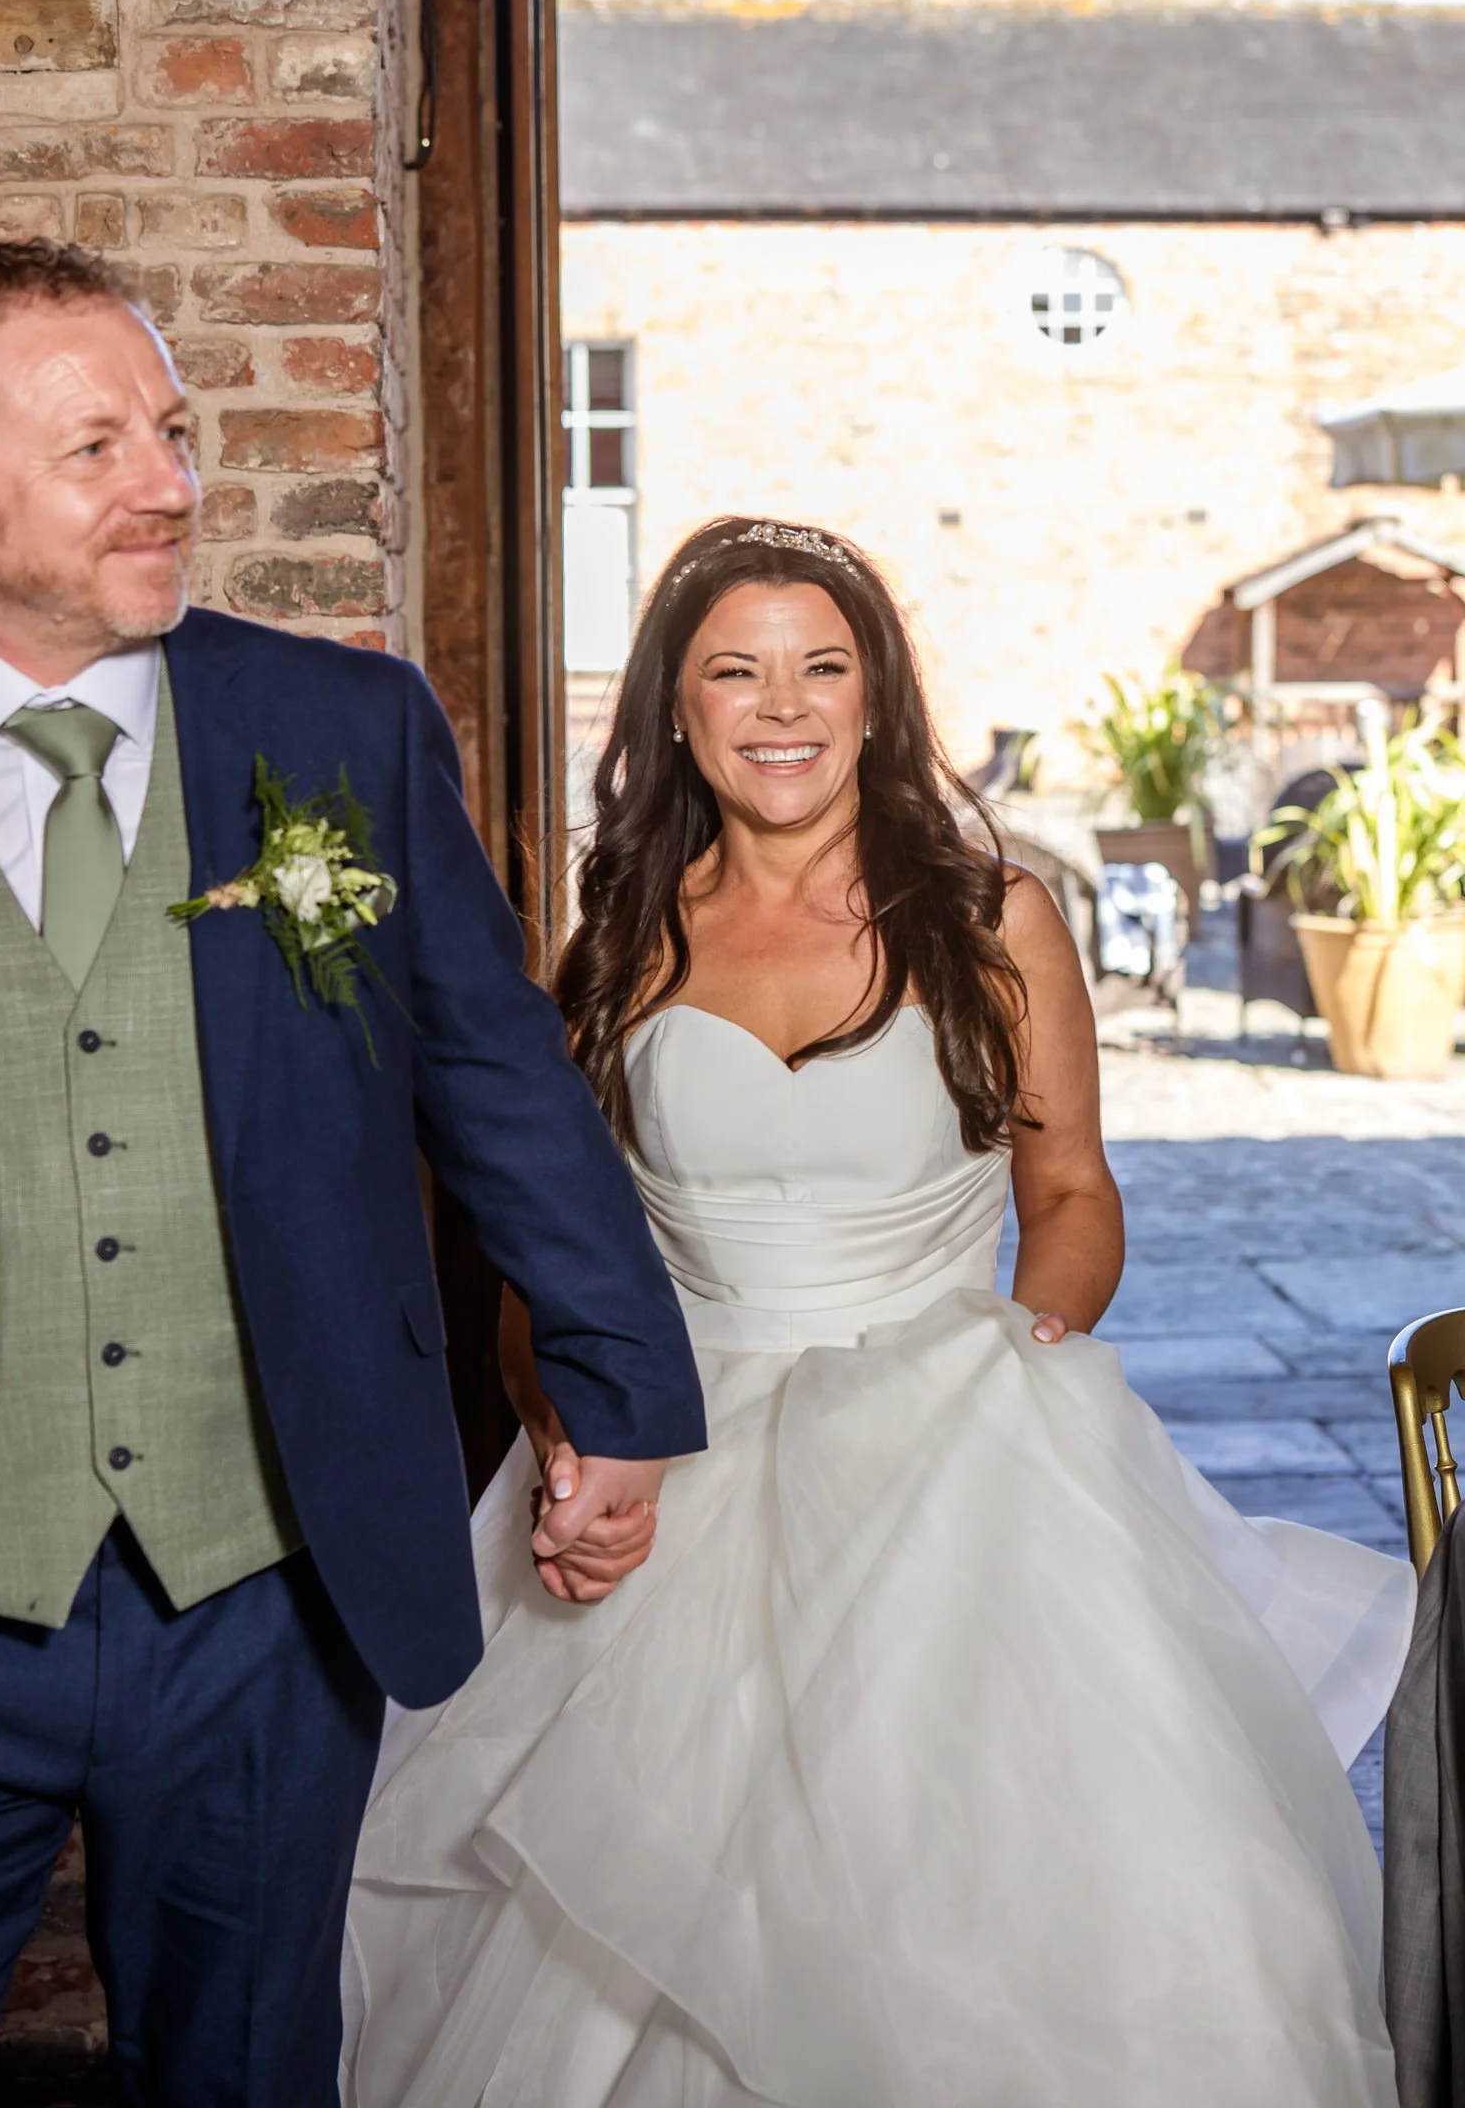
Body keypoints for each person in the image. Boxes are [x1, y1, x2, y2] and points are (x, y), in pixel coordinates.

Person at [0, 240, 708, 2108]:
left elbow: (500, 1080)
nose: (170, 481)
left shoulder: (344, 729)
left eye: (170, 430)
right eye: (96, 447)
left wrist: (625, 1387)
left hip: (263, 1600)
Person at [346, 517, 1415, 2108]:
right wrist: (572, 1433)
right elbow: (545, 1260)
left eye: (820, 668)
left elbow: (1071, 1200)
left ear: (875, 697)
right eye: (735, 671)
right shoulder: (619, 941)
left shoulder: (998, 920)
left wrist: (1019, 1359)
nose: (782, 707)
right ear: (677, 706)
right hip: (674, 1456)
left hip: (958, 1450)